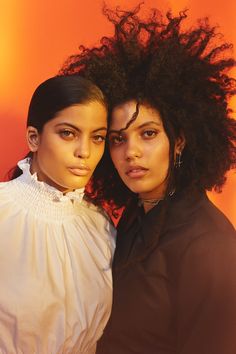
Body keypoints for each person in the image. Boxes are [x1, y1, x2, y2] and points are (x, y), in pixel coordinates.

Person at [60, 4, 236, 354]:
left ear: (180, 140)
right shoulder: (137, 214)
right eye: (117, 138)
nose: (131, 152)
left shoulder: (211, 249)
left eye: (149, 133)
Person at [0, 75, 116, 354]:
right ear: (34, 138)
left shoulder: (101, 227)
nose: (85, 152)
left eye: (98, 137)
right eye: (68, 133)